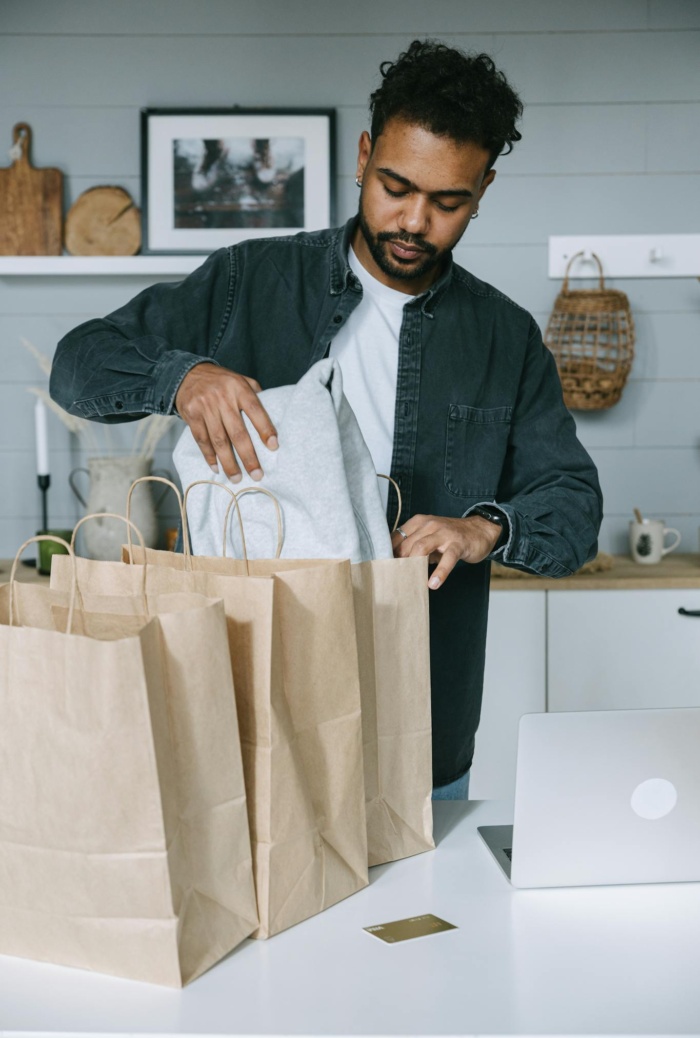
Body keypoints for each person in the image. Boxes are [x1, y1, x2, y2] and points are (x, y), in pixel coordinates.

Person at [50, 39, 603, 800]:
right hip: (247, 706)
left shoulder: (505, 337)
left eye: (449, 202)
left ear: (485, 188)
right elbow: (77, 364)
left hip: (422, 720)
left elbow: (573, 510)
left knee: (425, 918)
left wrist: (486, 529)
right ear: (364, 154)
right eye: (396, 186)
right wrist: (181, 377)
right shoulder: (250, 279)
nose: (414, 220)